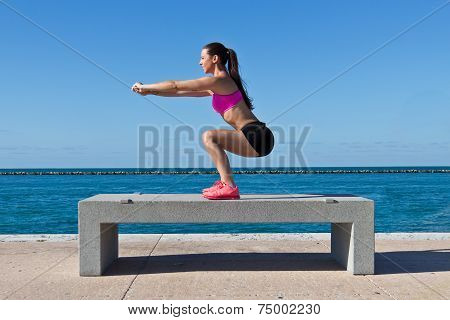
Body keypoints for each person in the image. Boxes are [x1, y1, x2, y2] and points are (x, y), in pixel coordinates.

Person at [131, 42, 275, 200]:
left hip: (256, 135)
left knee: (209, 136)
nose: (199, 62)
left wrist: (145, 87)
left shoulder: (219, 81)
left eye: (202, 58)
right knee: (210, 136)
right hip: (255, 136)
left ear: (214, 59)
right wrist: (150, 92)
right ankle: (226, 184)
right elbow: (178, 92)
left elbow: (174, 84)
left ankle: (229, 186)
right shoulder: (215, 86)